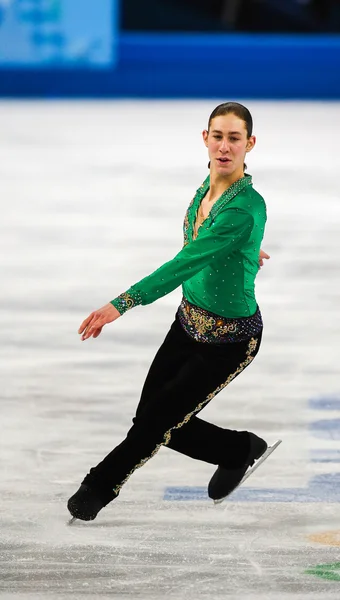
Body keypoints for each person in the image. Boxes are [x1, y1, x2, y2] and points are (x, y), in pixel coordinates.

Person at [67, 102, 271, 522]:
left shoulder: (242, 208)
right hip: (187, 322)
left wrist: (121, 304)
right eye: (218, 136)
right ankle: (239, 449)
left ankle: (95, 490)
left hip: (230, 341)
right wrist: (243, 250)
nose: (225, 146)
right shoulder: (208, 189)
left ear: (250, 144)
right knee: (153, 419)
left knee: (153, 425)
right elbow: (204, 240)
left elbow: (185, 262)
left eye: (235, 138)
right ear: (205, 138)